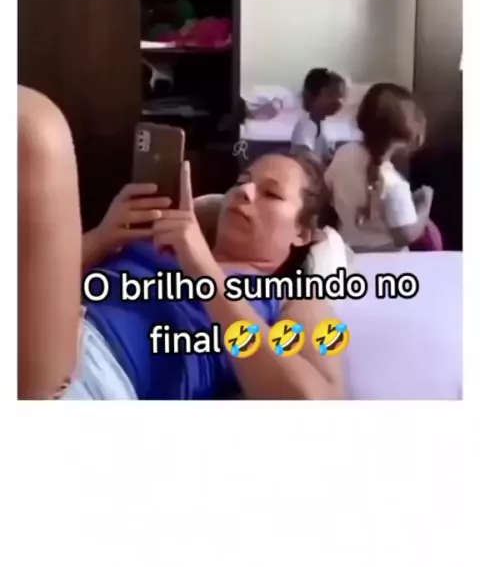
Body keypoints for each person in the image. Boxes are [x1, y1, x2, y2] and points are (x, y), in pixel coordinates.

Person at [18, 86, 349, 401]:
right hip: (37, 326)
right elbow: (34, 285)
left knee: (35, 129)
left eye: (271, 193)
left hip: (93, 374)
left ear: (302, 234)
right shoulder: (158, 239)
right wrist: (103, 237)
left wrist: (204, 272)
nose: (244, 192)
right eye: (241, 182)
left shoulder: (291, 300)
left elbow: (317, 401)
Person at [324, 83, 438, 252]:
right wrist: (425, 206)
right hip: (387, 258)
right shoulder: (394, 184)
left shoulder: (344, 153)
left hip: (346, 251)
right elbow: (405, 236)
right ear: (410, 135)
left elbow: (327, 192)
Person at [291, 68, 346, 165]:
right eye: (331, 95)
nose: (338, 102)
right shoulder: (305, 124)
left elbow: (325, 154)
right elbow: (303, 156)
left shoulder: (321, 124)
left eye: (340, 97)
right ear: (313, 96)